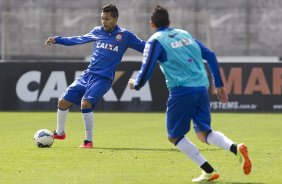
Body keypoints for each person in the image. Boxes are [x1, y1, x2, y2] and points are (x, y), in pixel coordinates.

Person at [128, 5, 251, 182]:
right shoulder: (184, 34)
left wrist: (136, 84)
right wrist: (219, 84)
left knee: (174, 136)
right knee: (204, 133)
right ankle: (234, 149)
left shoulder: (155, 40)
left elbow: (147, 68)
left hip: (181, 90)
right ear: (169, 22)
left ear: (151, 24)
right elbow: (210, 55)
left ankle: (208, 169)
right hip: (202, 87)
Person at [44, 4, 145, 148]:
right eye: (102, 18)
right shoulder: (97, 31)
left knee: (85, 103)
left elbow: (144, 46)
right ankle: (60, 133)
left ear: (116, 19)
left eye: (107, 19)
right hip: (88, 74)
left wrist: (162, 50)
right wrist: (57, 39)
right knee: (62, 102)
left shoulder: (125, 35)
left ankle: (88, 141)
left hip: (104, 78)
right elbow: (78, 39)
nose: (104, 21)